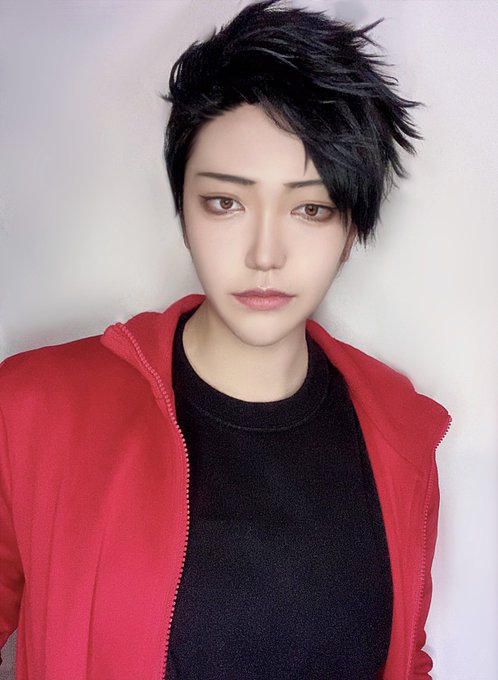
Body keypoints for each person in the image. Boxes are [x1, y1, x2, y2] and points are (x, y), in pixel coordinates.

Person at [0, 1, 452, 678]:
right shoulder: (34, 410)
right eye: (225, 202)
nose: (265, 253)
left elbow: (404, 660)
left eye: (311, 208)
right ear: (182, 210)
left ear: (351, 229)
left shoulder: (401, 432)